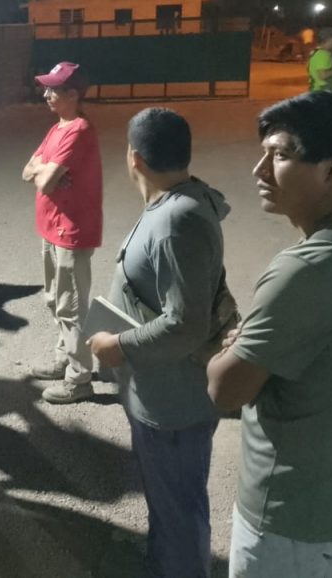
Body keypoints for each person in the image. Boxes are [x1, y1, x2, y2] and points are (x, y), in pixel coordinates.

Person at [207, 92, 332, 578]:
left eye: (279, 155)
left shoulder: (307, 270)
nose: (259, 170)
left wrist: (227, 348)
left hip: (287, 515)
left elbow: (224, 389)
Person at [89, 108, 226, 578]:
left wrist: (119, 345)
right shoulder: (177, 203)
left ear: (134, 158)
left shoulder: (175, 222)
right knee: (168, 501)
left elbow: (186, 325)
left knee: (180, 507)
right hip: (160, 392)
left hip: (174, 405)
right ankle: (163, 560)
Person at [23, 62, 103, 404]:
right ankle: (64, 358)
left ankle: (79, 378)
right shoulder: (57, 128)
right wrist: (46, 170)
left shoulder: (78, 130)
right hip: (51, 227)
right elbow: (28, 171)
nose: (46, 94)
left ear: (73, 94)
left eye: (53, 90)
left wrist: (44, 172)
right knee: (55, 300)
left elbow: (42, 181)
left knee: (71, 307)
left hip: (71, 230)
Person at [307, 27, 332, 93]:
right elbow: (322, 75)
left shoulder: (317, 52)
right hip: (324, 92)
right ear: (329, 40)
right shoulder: (323, 54)